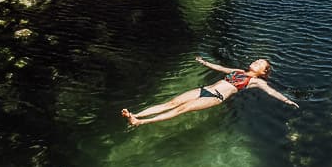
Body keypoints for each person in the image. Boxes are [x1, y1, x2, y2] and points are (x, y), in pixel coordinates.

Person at [121, 56, 299, 126]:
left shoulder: (255, 81)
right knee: (171, 103)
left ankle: (140, 122)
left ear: (263, 72)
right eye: (257, 60)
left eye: (261, 64)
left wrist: (287, 100)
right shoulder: (237, 71)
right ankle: (136, 114)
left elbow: (271, 92)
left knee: (180, 109)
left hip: (217, 96)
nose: (257, 62)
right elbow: (220, 68)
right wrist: (205, 63)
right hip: (204, 89)